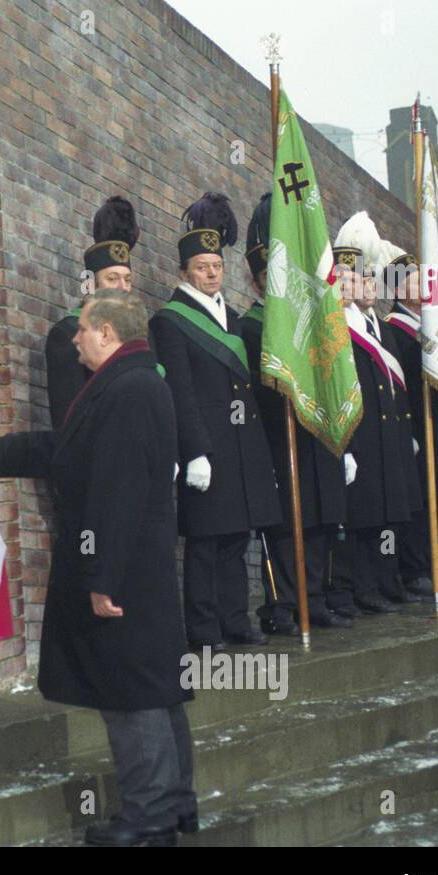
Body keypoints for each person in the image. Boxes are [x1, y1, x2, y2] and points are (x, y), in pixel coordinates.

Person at [0, 290, 194, 847]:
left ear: (106, 333)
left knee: (132, 695)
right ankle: (173, 809)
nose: (74, 340)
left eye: (83, 330)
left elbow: (116, 490)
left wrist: (102, 577)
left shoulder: (130, 389)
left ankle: (147, 822)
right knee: (155, 688)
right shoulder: (129, 383)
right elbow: (67, 450)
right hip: (135, 569)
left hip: (124, 575)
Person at [149, 193, 283, 651]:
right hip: (207, 448)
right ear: (184, 271)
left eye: (217, 266)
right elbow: (178, 393)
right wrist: (195, 451)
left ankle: (235, 620)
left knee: (235, 541)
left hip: (243, 445)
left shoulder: (232, 316)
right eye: (203, 267)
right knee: (205, 544)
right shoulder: (169, 321)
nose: (211, 274)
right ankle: (204, 632)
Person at [237, 193, 353, 634]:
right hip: (274, 436)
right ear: (256, 281)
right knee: (285, 525)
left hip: (314, 432)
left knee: (321, 517)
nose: (274, 281)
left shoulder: (309, 320)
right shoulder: (250, 326)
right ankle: (282, 604)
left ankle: (315, 597)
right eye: (267, 275)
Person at [327, 227, 419, 617]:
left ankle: (388, 579)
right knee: (365, 517)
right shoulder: (336, 327)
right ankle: (363, 587)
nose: (363, 285)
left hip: (390, 433)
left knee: (390, 513)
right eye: (351, 279)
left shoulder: (376, 325)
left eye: (365, 278)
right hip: (362, 433)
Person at [379, 240, 438, 596]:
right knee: (418, 501)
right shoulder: (393, 329)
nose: (425, 284)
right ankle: (413, 569)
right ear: (400, 288)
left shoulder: (432, 326)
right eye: (416, 281)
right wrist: (408, 433)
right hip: (416, 430)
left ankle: (431, 566)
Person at [46, 196, 139, 429]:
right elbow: (70, 420)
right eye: (112, 278)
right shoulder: (68, 333)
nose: (123, 287)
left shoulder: (142, 335)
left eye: (127, 279)